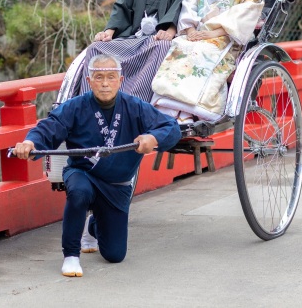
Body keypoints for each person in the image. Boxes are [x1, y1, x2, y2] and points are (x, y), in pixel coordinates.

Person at [13, 53, 180, 278]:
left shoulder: (135, 107)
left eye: (111, 77)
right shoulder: (75, 106)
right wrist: (30, 143)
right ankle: (71, 256)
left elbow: (171, 126)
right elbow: (50, 127)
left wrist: (154, 138)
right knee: (79, 192)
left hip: (116, 186)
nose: (105, 83)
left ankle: (93, 226)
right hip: (83, 173)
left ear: (120, 81)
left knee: (114, 254)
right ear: (89, 81)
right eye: (99, 77)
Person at [151, 0, 264, 121]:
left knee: (201, 51)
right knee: (178, 45)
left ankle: (189, 111)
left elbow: (248, 12)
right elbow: (190, 4)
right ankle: (169, 108)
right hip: (198, 34)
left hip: (226, 38)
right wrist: (190, 29)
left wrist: (214, 33)